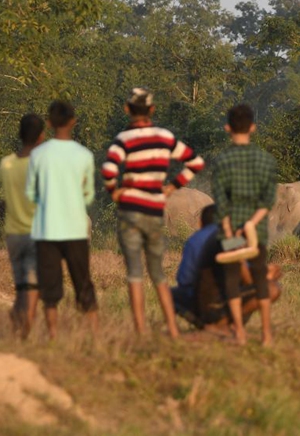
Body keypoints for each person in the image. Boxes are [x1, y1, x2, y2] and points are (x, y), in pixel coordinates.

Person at [102, 87, 205, 339]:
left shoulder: (123, 139)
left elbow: (108, 169)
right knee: (158, 272)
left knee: (134, 272)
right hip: (154, 211)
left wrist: (114, 191)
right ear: (152, 110)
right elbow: (196, 162)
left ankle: (140, 330)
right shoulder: (165, 137)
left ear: (127, 110)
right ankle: (172, 328)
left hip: (129, 211)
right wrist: (172, 186)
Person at [25, 100, 98, 339]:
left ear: (49, 123)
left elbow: (31, 194)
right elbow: (88, 194)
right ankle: (93, 334)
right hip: (76, 228)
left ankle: (54, 335)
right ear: (73, 122)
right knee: (83, 284)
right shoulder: (84, 155)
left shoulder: (38, 155)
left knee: (50, 288)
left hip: (47, 228)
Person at [211, 104, 277, 346]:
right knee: (260, 277)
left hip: (230, 232)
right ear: (253, 127)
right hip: (255, 232)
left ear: (227, 127)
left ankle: (239, 332)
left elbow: (220, 203)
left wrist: (230, 231)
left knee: (231, 280)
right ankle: (267, 334)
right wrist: (250, 224)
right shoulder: (265, 160)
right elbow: (268, 201)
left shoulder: (221, 161)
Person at [172, 205, 282, 336]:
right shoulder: (234, 241)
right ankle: (224, 324)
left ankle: (208, 324)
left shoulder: (193, 240)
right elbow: (247, 278)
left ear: (200, 223)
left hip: (201, 304)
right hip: (228, 300)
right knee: (271, 287)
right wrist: (267, 276)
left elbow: (184, 280)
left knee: (168, 293)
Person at [0, 114, 45, 338]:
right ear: (41, 137)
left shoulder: (5, 164)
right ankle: (25, 329)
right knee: (33, 285)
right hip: (37, 233)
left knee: (20, 285)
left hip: (13, 234)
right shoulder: (42, 167)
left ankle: (18, 317)